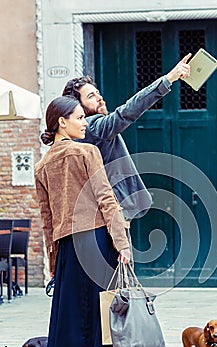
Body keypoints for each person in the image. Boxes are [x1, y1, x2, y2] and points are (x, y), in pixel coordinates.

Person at [35, 95, 138, 347]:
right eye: (79, 117)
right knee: (102, 311)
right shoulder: (87, 152)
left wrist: (54, 261)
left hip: (67, 247)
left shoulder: (42, 165)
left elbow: (47, 218)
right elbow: (107, 199)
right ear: (61, 123)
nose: (85, 123)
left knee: (71, 314)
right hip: (95, 239)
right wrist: (123, 243)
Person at [62, 54, 191, 222]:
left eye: (97, 92)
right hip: (112, 213)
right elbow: (127, 112)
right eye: (91, 96)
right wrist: (168, 79)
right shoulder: (93, 127)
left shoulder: (79, 134)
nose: (100, 98)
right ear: (77, 107)